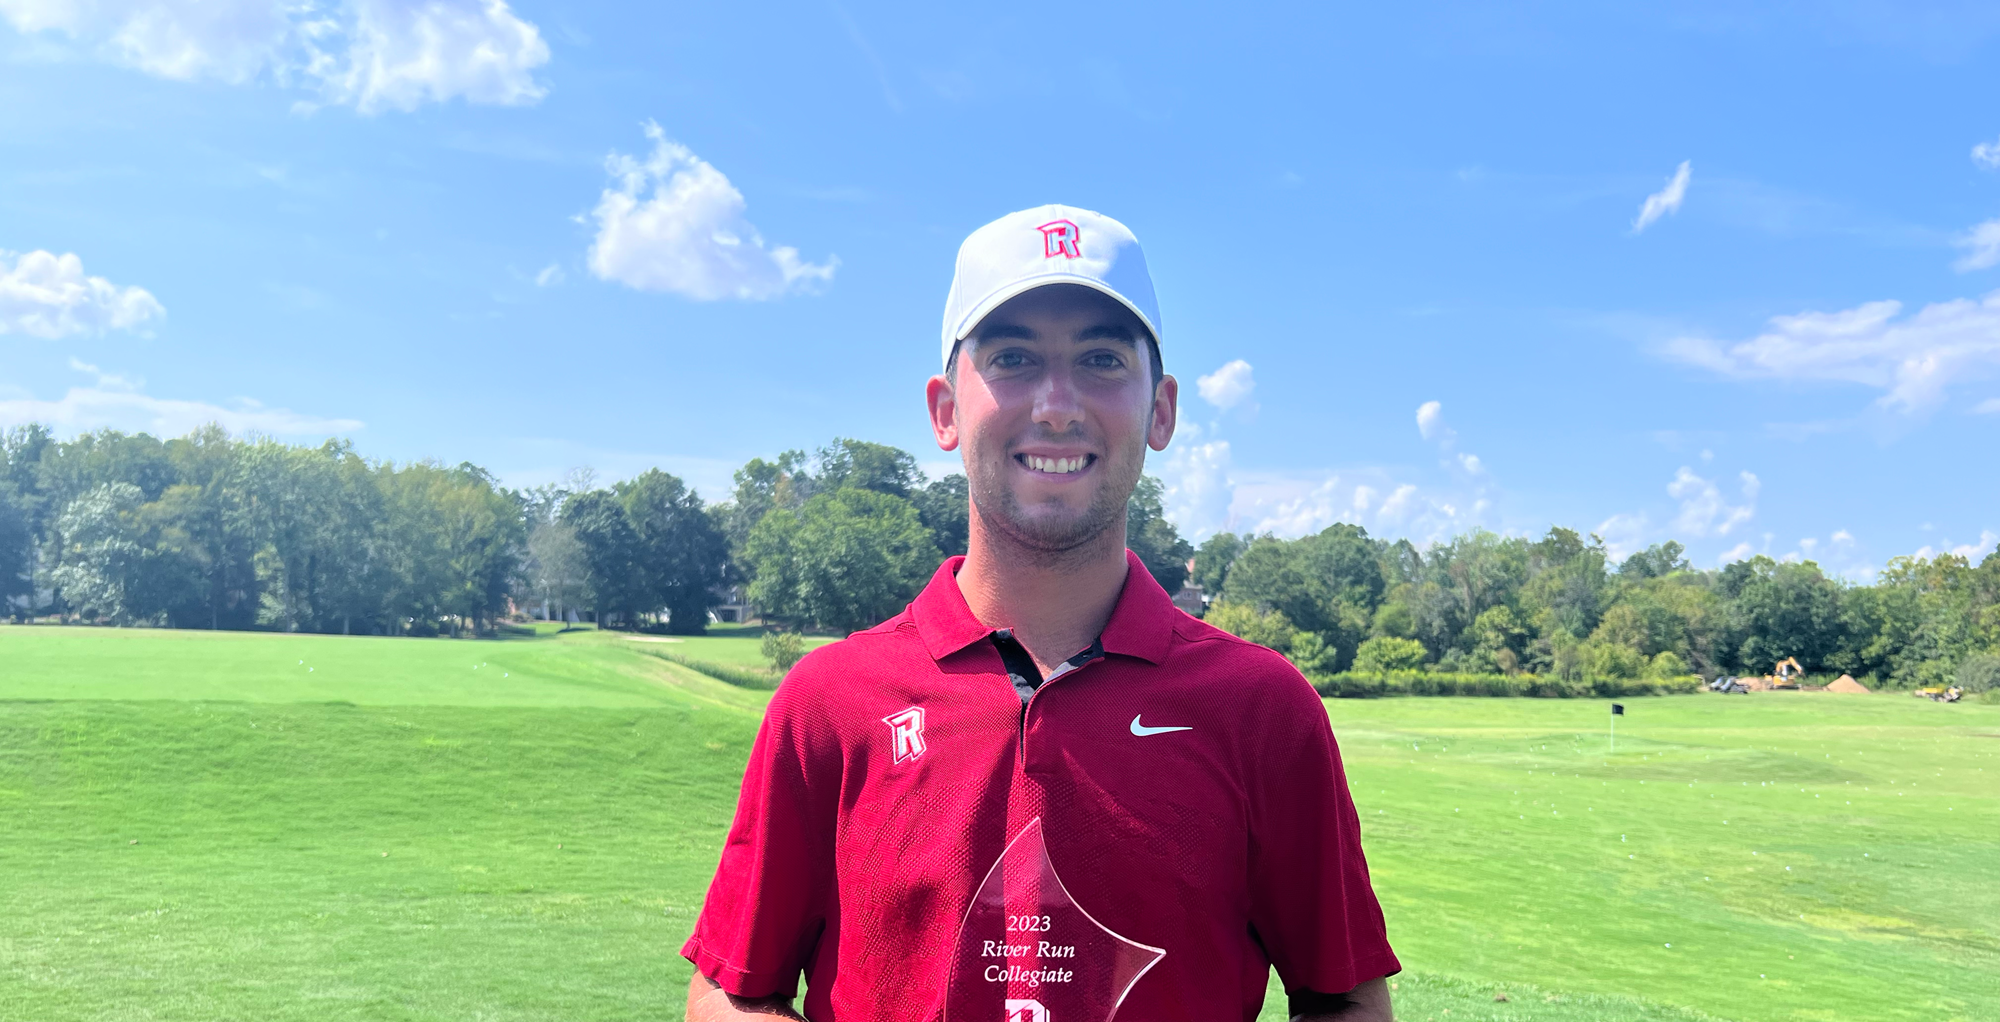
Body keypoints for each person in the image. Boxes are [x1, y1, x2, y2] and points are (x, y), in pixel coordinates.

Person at [684, 205, 1398, 1022]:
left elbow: (1344, 1002)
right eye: (1013, 359)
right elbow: (731, 992)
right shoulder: (828, 704)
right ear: (945, 410)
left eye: (1100, 359)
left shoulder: (1262, 709)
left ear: (1161, 410)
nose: (1057, 405)